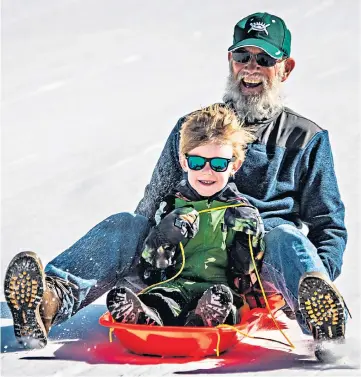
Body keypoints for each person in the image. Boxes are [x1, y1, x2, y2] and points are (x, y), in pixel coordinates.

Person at [4, 12, 349, 362]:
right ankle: (47, 301)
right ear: (231, 61)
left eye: (264, 59)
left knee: (286, 238)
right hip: (185, 251)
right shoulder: (193, 128)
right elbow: (154, 202)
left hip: (258, 266)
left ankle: (321, 319)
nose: (251, 67)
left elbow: (328, 226)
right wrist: (151, 252)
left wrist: (302, 282)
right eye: (243, 57)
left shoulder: (305, 138)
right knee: (127, 224)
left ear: (285, 68)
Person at [106, 104, 263, 328]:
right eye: (197, 162)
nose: (207, 171)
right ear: (183, 162)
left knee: (224, 300)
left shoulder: (242, 210)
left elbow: (250, 274)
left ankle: (204, 319)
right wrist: (166, 234)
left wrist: (247, 239)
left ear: (234, 165)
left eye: (218, 164)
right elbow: (153, 264)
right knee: (162, 298)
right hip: (175, 284)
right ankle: (146, 316)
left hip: (219, 287)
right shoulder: (171, 205)